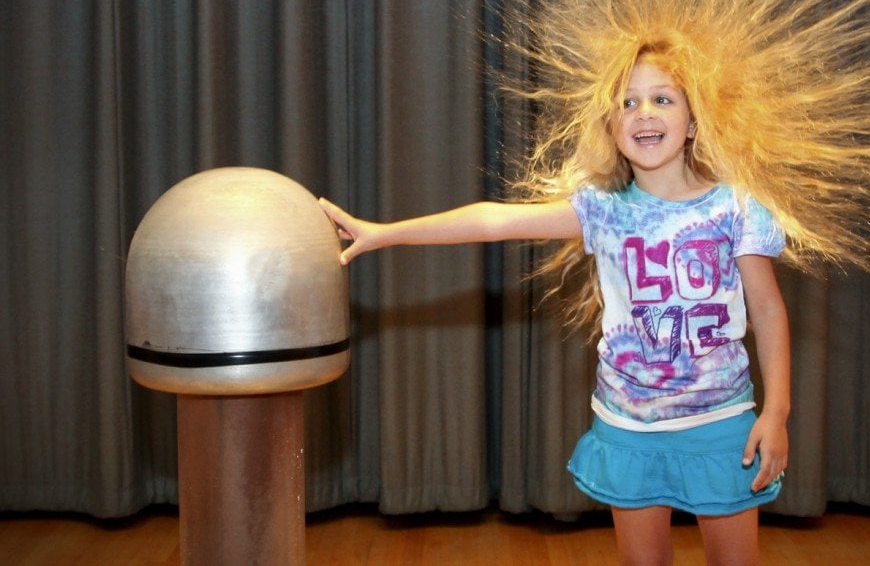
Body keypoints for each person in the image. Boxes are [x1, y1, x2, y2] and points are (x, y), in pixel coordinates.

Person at [320, 40, 790, 566]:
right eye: (627, 103)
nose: (644, 113)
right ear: (611, 127)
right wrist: (383, 234)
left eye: (663, 98)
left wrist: (776, 411)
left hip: (720, 421)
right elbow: (492, 220)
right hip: (629, 426)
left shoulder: (736, 208)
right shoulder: (602, 210)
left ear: (694, 120)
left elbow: (768, 311)